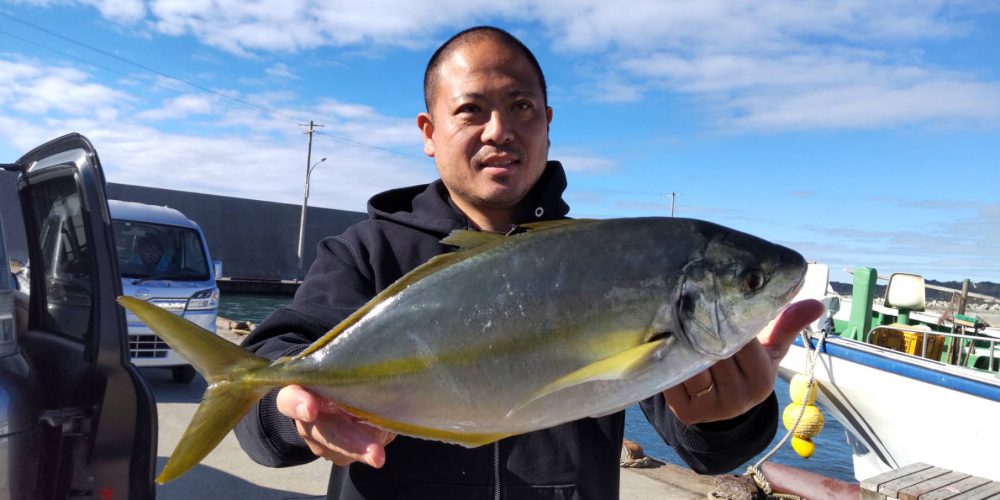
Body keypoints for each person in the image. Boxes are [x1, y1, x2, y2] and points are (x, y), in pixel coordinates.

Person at [235, 26, 824, 499]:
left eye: (521, 107)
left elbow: (698, 444)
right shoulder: (366, 253)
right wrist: (291, 410)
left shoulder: (609, 265)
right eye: (471, 110)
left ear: (547, 124)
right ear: (429, 131)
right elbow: (264, 391)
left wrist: (730, 415)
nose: (500, 130)